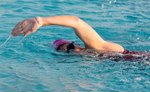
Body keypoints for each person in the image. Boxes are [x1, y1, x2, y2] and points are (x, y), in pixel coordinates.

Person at [11, 15, 149, 60]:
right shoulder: (92, 60)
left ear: (76, 44)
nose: (72, 51)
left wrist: (43, 21)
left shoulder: (97, 47)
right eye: (66, 52)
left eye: (70, 47)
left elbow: (77, 23)